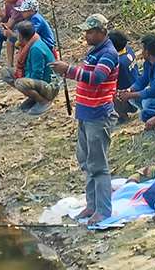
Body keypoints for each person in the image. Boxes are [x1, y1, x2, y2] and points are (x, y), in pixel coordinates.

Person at [49, 14, 119, 227]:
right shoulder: (93, 51)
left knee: (99, 166)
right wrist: (69, 73)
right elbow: (85, 75)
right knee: (86, 161)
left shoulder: (108, 54)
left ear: (102, 33)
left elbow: (97, 78)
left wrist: (69, 70)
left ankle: (103, 210)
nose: (86, 35)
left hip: (99, 117)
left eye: (90, 32)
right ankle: (91, 205)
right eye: (86, 31)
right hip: (86, 114)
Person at [3, 21, 59, 116]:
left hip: (48, 85)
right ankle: (33, 98)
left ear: (21, 37)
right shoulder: (30, 44)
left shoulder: (35, 49)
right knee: (6, 73)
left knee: (20, 83)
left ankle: (44, 102)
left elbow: (37, 75)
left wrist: (23, 80)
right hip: (36, 79)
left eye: (17, 34)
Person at [116, 34, 155, 124]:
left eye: (143, 49)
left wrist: (130, 95)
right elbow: (143, 80)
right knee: (133, 97)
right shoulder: (148, 63)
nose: (142, 51)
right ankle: (152, 114)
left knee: (148, 102)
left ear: (147, 52)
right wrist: (130, 90)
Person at [108, 30, 140, 122]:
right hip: (137, 88)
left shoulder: (117, 63)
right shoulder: (127, 49)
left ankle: (121, 116)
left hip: (129, 98)